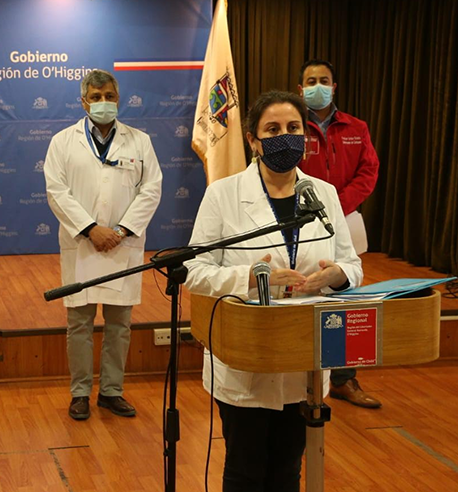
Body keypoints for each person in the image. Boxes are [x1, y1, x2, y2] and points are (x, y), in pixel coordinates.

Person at [184, 91, 362, 491]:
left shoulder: (324, 194)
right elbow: (194, 270)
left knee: (287, 468)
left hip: (304, 357)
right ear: (253, 140)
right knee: (245, 469)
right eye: (273, 129)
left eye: (293, 128)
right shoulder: (223, 194)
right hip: (245, 354)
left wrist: (335, 275)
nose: (285, 137)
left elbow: (352, 266)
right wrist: (250, 277)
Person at [44, 69, 162, 420]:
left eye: (109, 96)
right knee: (79, 324)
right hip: (82, 244)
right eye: (96, 97)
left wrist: (121, 230)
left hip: (122, 245)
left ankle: (111, 391)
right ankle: (80, 392)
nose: (103, 102)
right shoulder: (62, 142)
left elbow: (151, 189)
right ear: (84, 102)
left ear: (118, 98)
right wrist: (91, 229)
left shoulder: (139, 141)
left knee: (119, 324)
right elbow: (56, 191)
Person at [298, 59, 382, 409]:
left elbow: (369, 170)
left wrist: (337, 204)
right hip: (300, 220)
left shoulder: (356, 127)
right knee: (305, 292)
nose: (318, 86)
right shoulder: (292, 126)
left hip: (345, 219)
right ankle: (302, 373)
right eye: (311, 81)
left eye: (324, 80)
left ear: (334, 87)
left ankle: (345, 379)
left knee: (346, 300)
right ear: (300, 88)